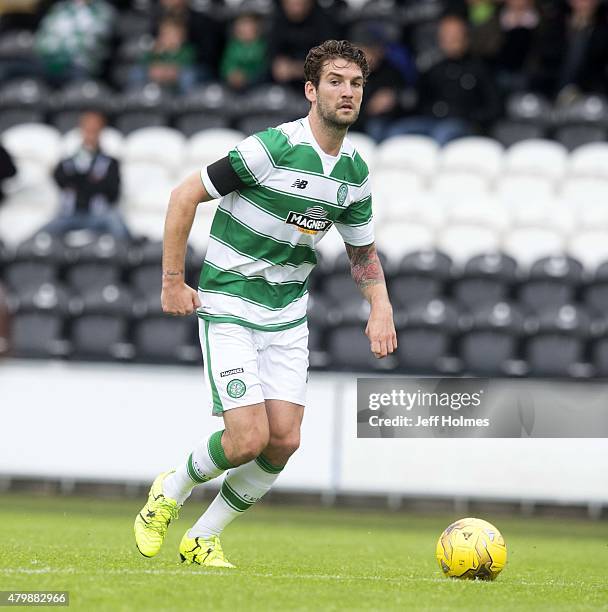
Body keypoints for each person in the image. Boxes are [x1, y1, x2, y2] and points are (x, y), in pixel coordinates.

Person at [134, 39, 397, 568]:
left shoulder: (355, 174)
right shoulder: (272, 149)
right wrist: (171, 281)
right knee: (247, 438)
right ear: (310, 90)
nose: (347, 93)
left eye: (356, 84)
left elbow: (362, 251)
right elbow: (184, 195)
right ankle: (172, 487)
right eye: (336, 82)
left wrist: (381, 307)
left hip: (286, 315)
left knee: (283, 441)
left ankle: (202, 538)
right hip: (230, 299)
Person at [385, 15, 501, 145]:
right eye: (445, 35)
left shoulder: (480, 68)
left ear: (466, 37)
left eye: (454, 35)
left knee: (442, 133)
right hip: (431, 120)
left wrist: (470, 118)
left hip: (463, 123)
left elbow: (493, 106)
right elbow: (419, 100)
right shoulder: (433, 69)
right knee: (397, 131)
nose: (448, 40)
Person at [37, 111, 131, 240]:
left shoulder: (110, 162)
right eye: (88, 129)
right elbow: (60, 180)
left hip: (98, 215)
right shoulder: (68, 161)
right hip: (70, 215)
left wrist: (79, 181)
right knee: (42, 234)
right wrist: (92, 182)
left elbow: (113, 193)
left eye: (94, 130)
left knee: (117, 224)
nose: (90, 134)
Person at [269, 0, 340, 88]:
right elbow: (272, 57)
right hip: (282, 86)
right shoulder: (276, 21)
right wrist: (277, 65)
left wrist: (295, 69)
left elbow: (330, 62)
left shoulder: (325, 22)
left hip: (316, 85)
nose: (296, 3)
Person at [130, 17, 198, 94]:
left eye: (174, 35)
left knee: (188, 75)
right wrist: (156, 55)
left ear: (182, 37)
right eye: (167, 34)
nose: (170, 38)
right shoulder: (156, 49)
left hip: (177, 75)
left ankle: (187, 99)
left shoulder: (186, 50)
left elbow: (186, 63)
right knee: (137, 71)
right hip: (156, 73)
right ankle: (136, 96)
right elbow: (145, 61)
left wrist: (169, 70)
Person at [220, 12, 268, 91]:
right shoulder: (233, 46)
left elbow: (262, 67)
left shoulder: (262, 46)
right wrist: (231, 74)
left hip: (255, 84)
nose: (244, 28)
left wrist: (246, 76)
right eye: (241, 24)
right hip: (232, 84)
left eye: (248, 24)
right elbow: (226, 64)